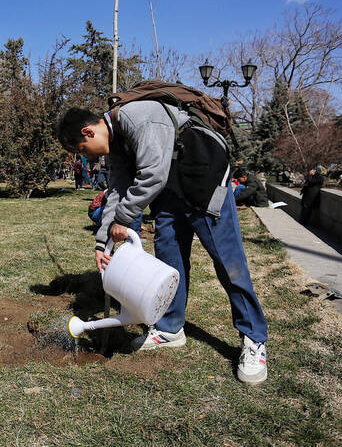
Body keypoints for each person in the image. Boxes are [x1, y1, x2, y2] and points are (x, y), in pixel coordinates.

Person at [57, 105, 268, 385]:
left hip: (203, 179)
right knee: (169, 256)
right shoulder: (116, 141)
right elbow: (118, 191)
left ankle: (254, 339)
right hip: (170, 190)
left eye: (83, 149)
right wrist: (102, 242)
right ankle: (170, 328)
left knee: (228, 263)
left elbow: (152, 173)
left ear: (89, 131)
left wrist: (125, 218)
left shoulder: (138, 116)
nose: (88, 156)